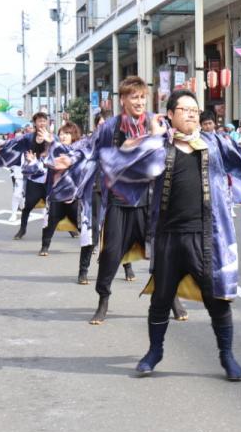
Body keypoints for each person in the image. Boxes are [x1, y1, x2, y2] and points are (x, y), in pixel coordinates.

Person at [96, 89, 241, 380]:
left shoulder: (214, 143)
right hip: (168, 235)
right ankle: (154, 351)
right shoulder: (160, 147)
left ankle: (227, 356)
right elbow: (124, 163)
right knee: (160, 299)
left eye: (196, 109)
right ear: (170, 115)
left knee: (216, 300)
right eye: (185, 109)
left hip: (207, 236)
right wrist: (152, 138)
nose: (193, 113)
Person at [53, 76, 181, 324]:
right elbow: (89, 147)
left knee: (162, 253)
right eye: (134, 97)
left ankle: (171, 297)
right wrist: (70, 159)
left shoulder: (157, 122)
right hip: (118, 201)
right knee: (111, 253)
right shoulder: (111, 127)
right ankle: (103, 300)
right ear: (122, 99)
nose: (140, 101)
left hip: (150, 200)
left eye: (143, 96)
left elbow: (171, 149)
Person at [38, 122, 85, 257]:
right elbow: (46, 162)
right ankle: (45, 246)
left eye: (67, 133)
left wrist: (54, 142)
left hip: (74, 195)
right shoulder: (55, 149)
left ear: (74, 135)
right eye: (61, 134)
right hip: (58, 193)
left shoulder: (79, 149)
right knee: (51, 221)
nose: (63, 136)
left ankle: (90, 246)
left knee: (81, 224)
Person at [9, 112, 54, 240]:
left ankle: (70, 230)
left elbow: (58, 149)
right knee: (28, 207)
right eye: (39, 121)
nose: (42, 123)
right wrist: (28, 159)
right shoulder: (28, 137)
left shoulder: (51, 137)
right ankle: (22, 230)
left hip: (49, 178)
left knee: (55, 206)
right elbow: (16, 146)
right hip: (34, 178)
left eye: (44, 121)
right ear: (35, 123)